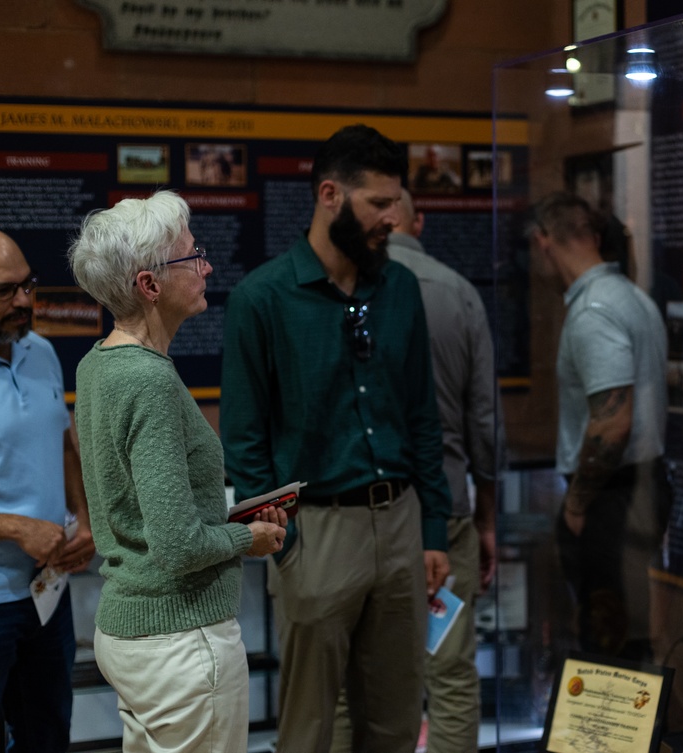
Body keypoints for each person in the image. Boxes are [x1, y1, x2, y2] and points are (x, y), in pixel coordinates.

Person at [221, 124, 452, 753]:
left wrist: (433, 532)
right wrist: (284, 542)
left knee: (397, 723)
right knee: (309, 729)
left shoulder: (399, 288)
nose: (392, 217)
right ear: (330, 195)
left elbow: (423, 418)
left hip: (400, 524)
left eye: (396, 202)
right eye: (378, 203)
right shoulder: (261, 298)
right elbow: (243, 441)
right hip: (315, 529)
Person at [67, 189, 287, 753]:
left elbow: (143, 512)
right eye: (193, 256)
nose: (208, 265)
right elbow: (179, 545)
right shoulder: (148, 380)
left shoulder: (97, 364)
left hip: (132, 633)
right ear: (150, 284)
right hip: (180, 638)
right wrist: (250, 535)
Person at [333, 189, 501, 753]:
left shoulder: (338, 285)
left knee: (344, 678)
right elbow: (484, 420)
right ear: (417, 221)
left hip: (353, 513)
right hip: (444, 508)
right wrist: (487, 516)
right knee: (449, 672)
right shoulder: (458, 292)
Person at [0, 226, 96, 753]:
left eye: (28, 285)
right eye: (4, 291)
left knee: (47, 738)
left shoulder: (38, 351)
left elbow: (62, 442)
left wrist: (83, 519)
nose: (23, 301)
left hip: (47, 595)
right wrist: (17, 528)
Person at [529, 192, 671, 660]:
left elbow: (613, 424)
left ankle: (608, 733)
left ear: (543, 242)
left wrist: (576, 503)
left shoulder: (593, 312)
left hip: (613, 495)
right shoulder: (632, 297)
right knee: (623, 629)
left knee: (607, 637)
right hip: (641, 484)